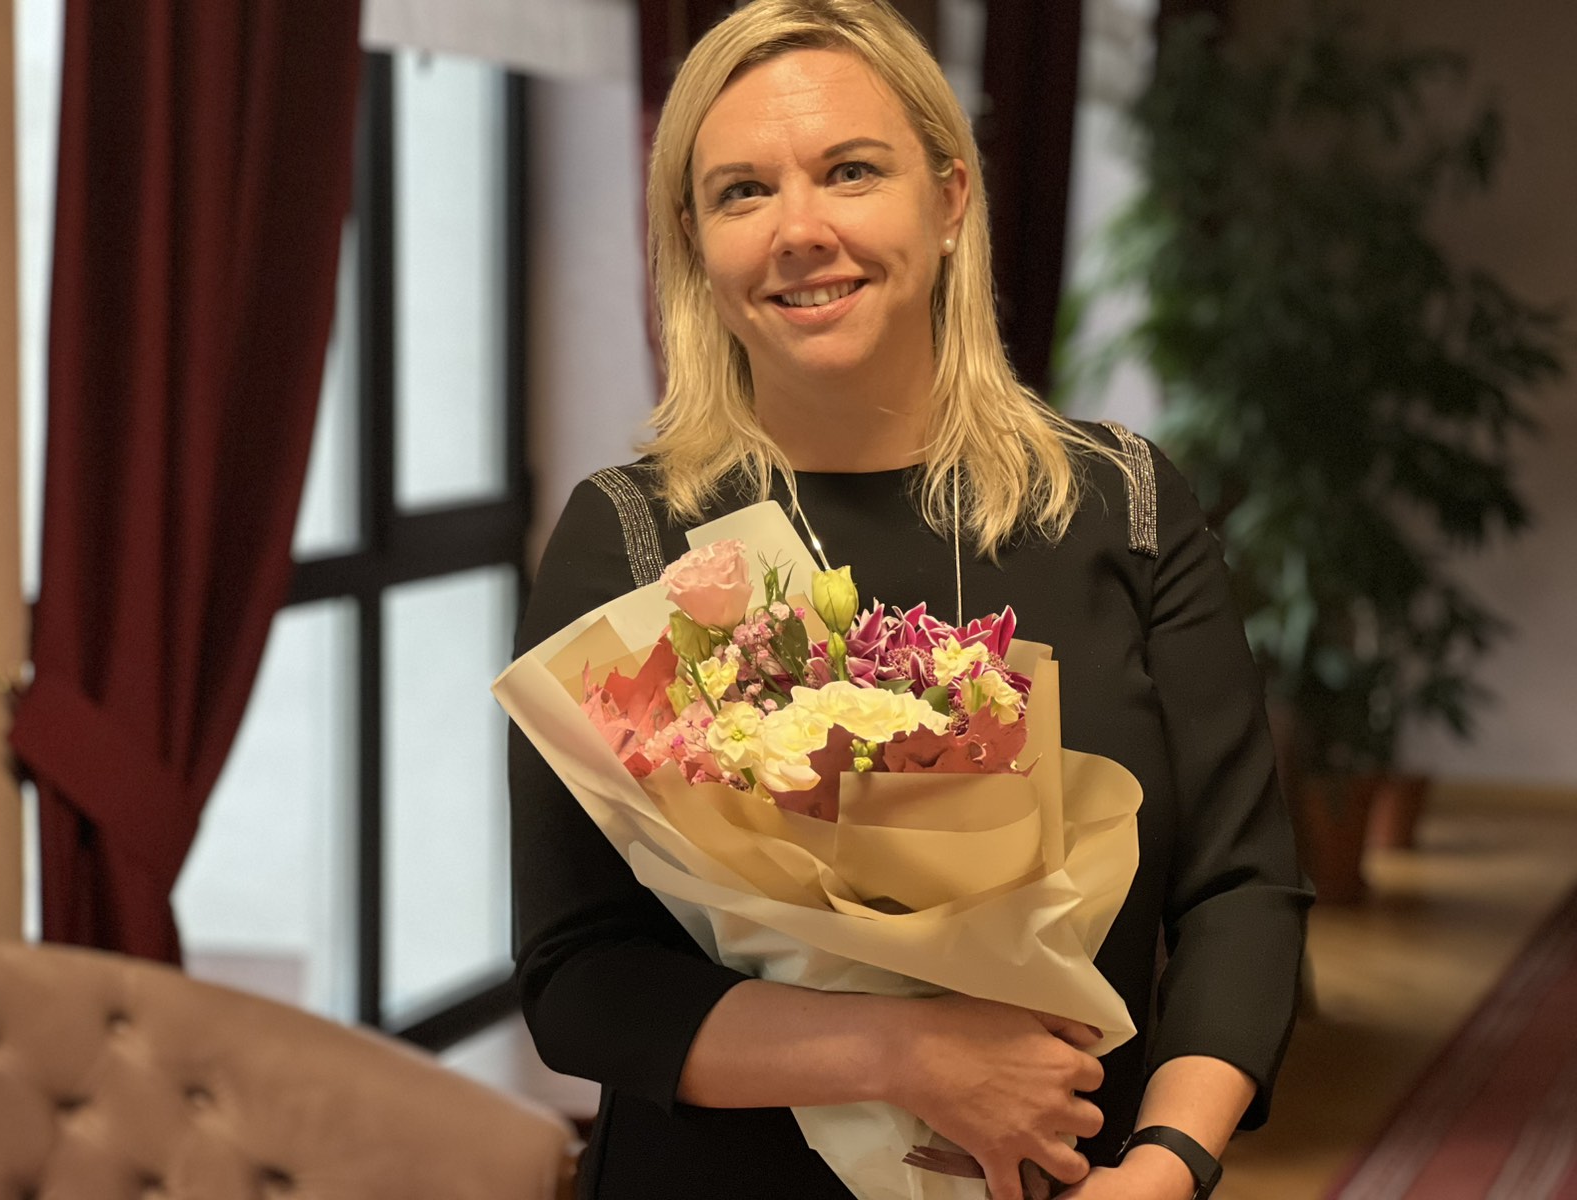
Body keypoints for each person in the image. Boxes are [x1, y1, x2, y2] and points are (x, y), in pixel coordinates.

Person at [507, 2, 1313, 1197]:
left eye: (850, 171)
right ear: (691, 239)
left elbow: (1239, 889)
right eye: (741, 192)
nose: (799, 230)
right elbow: (578, 977)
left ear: (947, 199)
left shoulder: (1122, 505)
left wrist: (1167, 1163)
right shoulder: (632, 540)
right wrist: (911, 1054)